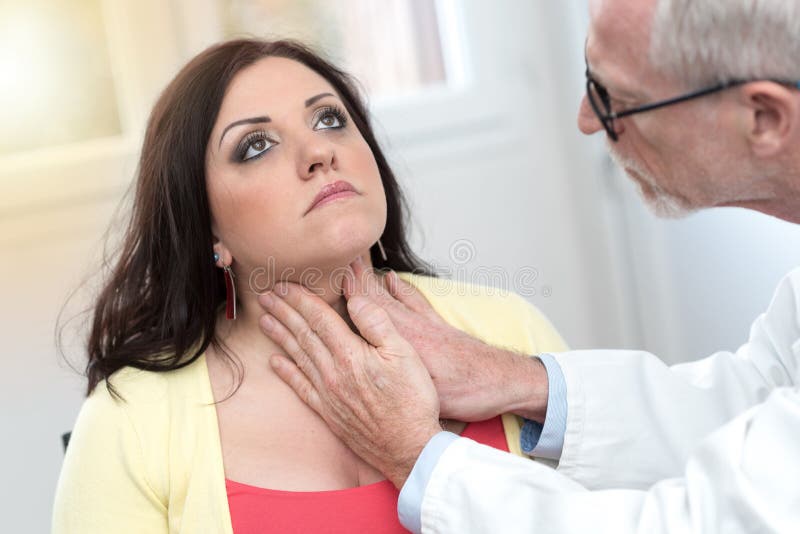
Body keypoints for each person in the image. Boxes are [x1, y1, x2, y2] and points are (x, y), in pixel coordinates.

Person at [259, 0, 800, 532]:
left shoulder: (504, 317)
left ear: (763, 118)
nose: (587, 121)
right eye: (256, 145)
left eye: (616, 99)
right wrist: (521, 381)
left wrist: (417, 456)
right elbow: (760, 391)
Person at [52, 39, 568, 533]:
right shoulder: (130, 423)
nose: (319, 151)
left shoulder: (509, 330)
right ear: (207, 227)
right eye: (256, 146)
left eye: (329, 118)